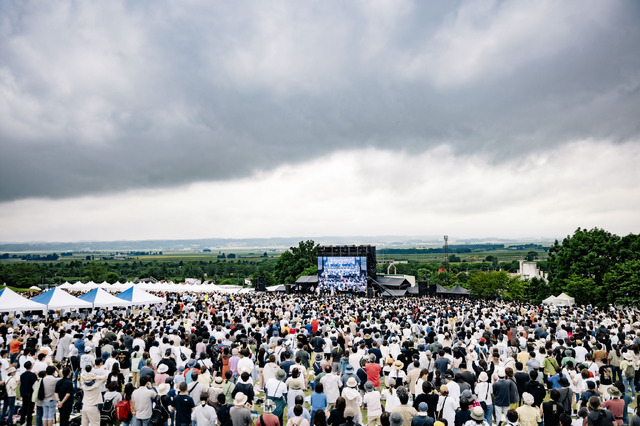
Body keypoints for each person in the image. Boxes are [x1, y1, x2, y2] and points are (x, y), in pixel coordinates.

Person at [20, 360, 38, 426]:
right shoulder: (33, 375)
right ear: (31, 366)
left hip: (24, 393)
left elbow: (22, 385)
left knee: (24, 407)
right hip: (31, 393)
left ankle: (22, 421)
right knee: (30, 409)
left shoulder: (22, 375)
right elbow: (35, 386)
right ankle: (29, 422)